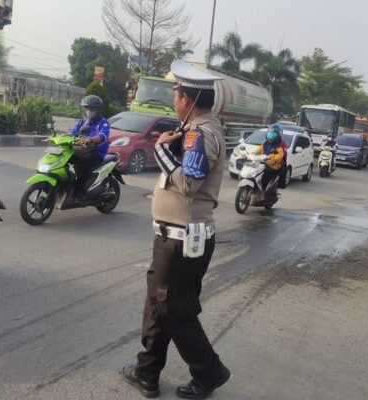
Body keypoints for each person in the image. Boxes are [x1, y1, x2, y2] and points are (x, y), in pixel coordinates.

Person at [122, 60, 230, 399]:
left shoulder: (201, 133)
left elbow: (188, 183)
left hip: (182, 241)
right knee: (157, 305)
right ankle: (147, 372)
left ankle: (209, 371)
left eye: (175, 92)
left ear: (186, 98)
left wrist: (159, 150)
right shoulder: (195, 129)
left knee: (175, 310)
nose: (173, 98)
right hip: (173, 238)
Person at [69, 95, 109, 200]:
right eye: (86, 108)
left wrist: (90, 139)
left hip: (97, 153)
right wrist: (58, 138)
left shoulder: (103, 123)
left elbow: (102, 136)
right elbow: (72, 133)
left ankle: (80, 191)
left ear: (98, 110)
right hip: (83, 150)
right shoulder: (83, 122)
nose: (88, 111)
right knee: (66, 158)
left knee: (81, 163)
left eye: (91, 109)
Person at [255, 125, 285, 199]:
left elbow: (279, 157)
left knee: (266, 174)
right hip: (262, 164)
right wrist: (250, 155)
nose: (271, 137)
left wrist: (273, 160)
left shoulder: (279, 148)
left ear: (278, 136)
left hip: (272, 166)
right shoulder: (264, 145)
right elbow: (256, 152)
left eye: (273, 135)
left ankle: (262, 193)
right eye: (270, 135)